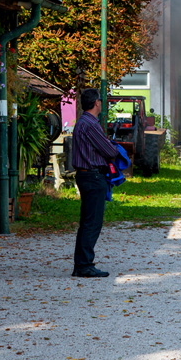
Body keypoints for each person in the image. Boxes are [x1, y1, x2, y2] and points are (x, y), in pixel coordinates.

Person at [68, 88, 119, 278]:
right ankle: (84, 265)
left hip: (85, 175)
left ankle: (81, 263)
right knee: (92, 222)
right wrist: (115, 148)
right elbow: (109, 151)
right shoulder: (90, 124)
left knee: (86, 222)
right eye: (101, 101)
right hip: (93, 176)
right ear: (97, 102)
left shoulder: (82, 122)